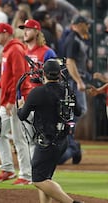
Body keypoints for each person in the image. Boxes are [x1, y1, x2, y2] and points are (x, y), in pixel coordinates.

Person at [17, 59, 83, 203]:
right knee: (46, 179)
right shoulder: (67, 90)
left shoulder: (37, 93)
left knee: (38, 180)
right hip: (63, 141)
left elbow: (22, 116)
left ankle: (71, 202)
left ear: (44, 74)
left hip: (46, 143)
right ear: (60, 74)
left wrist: (20, 105)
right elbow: (78, 112)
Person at [0, 23, 34, 185]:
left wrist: (11, 100)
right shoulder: (9, 50)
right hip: (10, 99)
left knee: (19, 137)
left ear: (6, 33)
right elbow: (8, 78)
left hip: (16, 100)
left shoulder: (15, 49)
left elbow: (19, 77)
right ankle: (8, 169)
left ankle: (26, 175)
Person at [59, 15, 92, 165]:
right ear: (78, 24)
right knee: (75, 112)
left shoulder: (80, 38)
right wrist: (78, 80)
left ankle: (70, 142)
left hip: (76, 79)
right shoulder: (73, 39)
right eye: (86, 23)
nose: (88, 26)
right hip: (72, 81)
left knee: (74, 113)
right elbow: (70, 62)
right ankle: (71, 144)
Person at [19, 19, 57, 87]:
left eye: (28, 30)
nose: (24, 33)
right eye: (24, 30)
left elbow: (54, 77)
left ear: (36, 32)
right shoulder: (21, 51)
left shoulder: (48, 52)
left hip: (41, 93)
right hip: (25, 93)